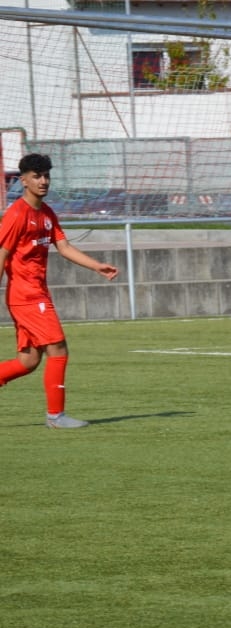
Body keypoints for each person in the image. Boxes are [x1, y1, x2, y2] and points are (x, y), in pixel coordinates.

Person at [0, 152, 119, 428]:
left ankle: (55, 415)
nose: (43, 181)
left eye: (46, 176)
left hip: (37, 294)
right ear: (24, 180)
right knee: (58, 348)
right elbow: (2, 254)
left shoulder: (46, 213)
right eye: (36, 177)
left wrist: (96, 266)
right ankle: (56, 416)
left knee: (28, 361)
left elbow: (63, 246)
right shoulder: (16, 214)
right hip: (26, 296)